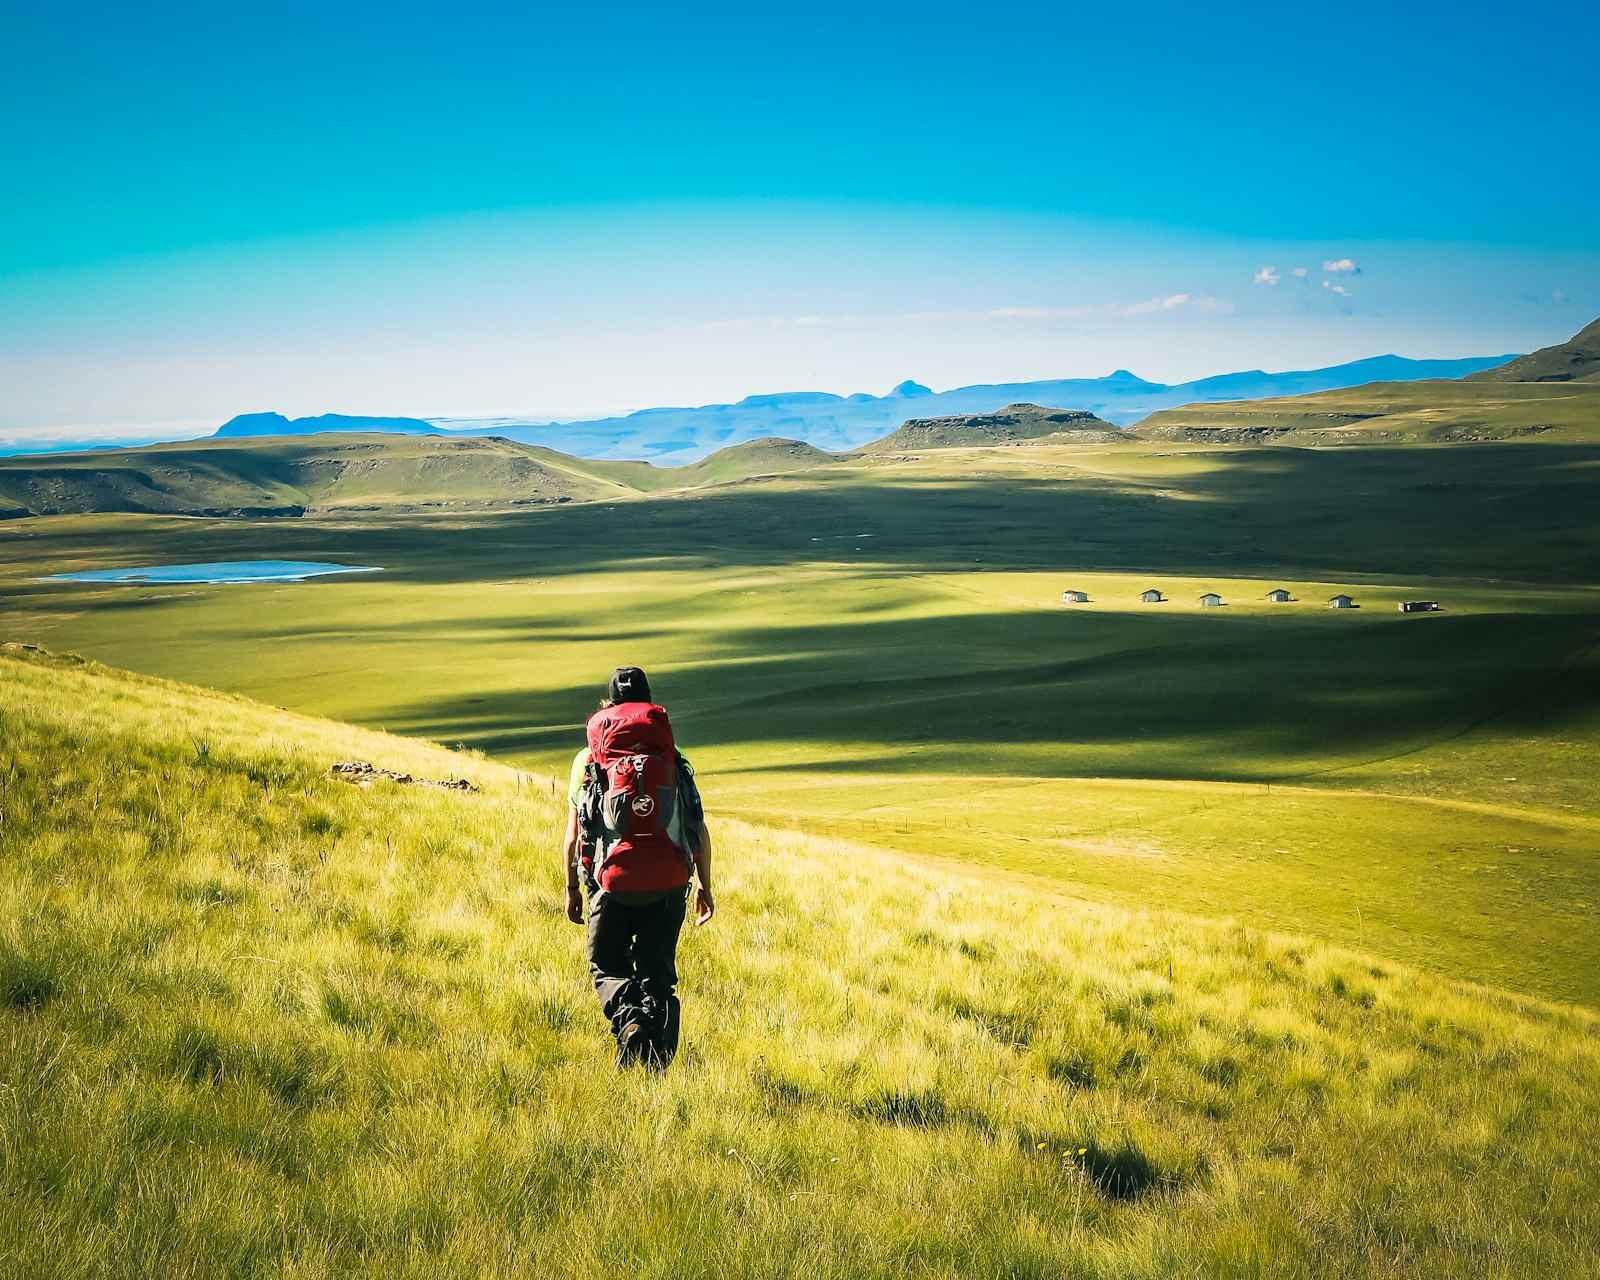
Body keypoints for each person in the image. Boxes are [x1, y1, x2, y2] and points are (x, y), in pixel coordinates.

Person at [563, 666, 714, 1068]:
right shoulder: (673, 756)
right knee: (657, 972)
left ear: (609, 706)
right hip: (669, 882)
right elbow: (697, 827)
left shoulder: (587, 758)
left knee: (608, 963)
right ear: (649, 703)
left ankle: (630, 1026)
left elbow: (575, 835)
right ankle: (657, 1059)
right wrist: (705, 886)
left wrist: (573, 889)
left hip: (610, 883)